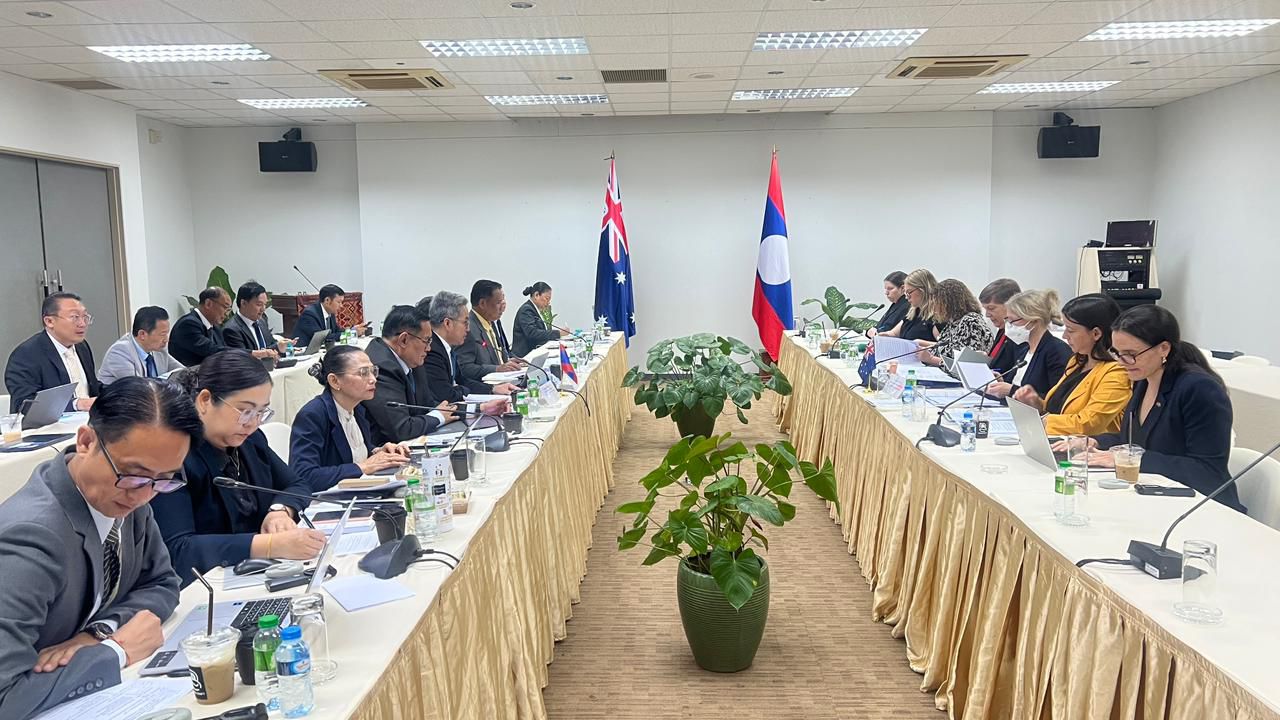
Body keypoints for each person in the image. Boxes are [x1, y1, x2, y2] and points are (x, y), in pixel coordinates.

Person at [0, 378, 197, 719]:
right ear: (86, 442)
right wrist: (116, 651)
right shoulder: (30, 537)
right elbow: (5, 697)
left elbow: (163, 583)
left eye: (163, 479)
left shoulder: (126, 494)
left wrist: (97, 633)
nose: (144, 495)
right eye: (134, 474)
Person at [152, 351, 325, 586]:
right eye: (245, 411)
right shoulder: (174, 457)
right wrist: (269, 545)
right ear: (205, 400)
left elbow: (297, 484)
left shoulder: (251, 440)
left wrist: (279, 510)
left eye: (261, 412)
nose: (253, 423)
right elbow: (178, 549)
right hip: (204, 587)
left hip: (257, 576)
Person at [1071, 306, 1244, 512]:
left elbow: (1206, 471)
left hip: (1203, 509)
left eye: (1131, 354)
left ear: (1163, 348)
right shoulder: (1143, 379)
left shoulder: (1199, 389)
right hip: (1155, 501)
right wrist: (1096, 441)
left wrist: (1132, 459)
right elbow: (1137, 440)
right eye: (1117, 353)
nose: (1122, 362)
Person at [289, 346, 409, 493]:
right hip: (327, 501)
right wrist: (362, 467)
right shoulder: (313, 415)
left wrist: (378, 452)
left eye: (373, 371)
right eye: (363, 373)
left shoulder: (357, 407)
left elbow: (354, 453)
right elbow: (304, 476)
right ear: (334, 381)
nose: (373, 379)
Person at [1014, 294, 1131, 436]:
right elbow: (1061, 409)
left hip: (1084, 446)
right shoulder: (1077, 361)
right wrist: (1037, 404)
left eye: (1070, 330)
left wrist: (1041, 421)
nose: (1064, 336)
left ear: (1096, 333)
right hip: (1057, 440)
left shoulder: (1117, 373)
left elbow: (1088, 424)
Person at [362, 305, 457, 445]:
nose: (429, 348)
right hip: (385, 449)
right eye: (426, 341)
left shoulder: (411, 359)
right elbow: (401, 429)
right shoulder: (380, 366)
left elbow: (427, 405)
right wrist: (439, 417)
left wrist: (477, 408)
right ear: (404, 340)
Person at [5, 292, 101, 413]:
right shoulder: (25, 355)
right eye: (74, 317)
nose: (82, 324)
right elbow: (25, 404)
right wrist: (76, 404)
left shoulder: (82, 347)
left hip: (91, 419)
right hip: (52, 423)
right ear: (49, 321)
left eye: (85, 317)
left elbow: (91, 387)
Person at [424, 291, 520, 403]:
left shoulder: (447, 347)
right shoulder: (431, 351)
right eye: (465, 323)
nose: (468, 329)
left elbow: (463, 381)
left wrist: (493, 389)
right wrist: (462, 390)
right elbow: (446, 395)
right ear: (447, 323)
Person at [985, 289, 1071, 400]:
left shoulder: (1057, 351)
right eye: (1007, 320)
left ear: (1034, 320)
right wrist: (1001, 382)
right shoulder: (1024, 349)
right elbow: (1018, 383)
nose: (1009, 325)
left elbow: (1057, 400)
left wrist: (1011, 390)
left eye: (1012, 321)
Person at [915, 279, 993, 370]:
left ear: (949, 303)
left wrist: (931, 359)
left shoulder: (970, 322)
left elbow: (966, 366)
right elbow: (944, 350)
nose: (934, 307)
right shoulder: (953, 323)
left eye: (936, 302)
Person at [456, 279, 523, 384]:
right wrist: (497, 368)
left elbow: (496, 355)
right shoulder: (468, 329)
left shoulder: (491, 321)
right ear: (482, 303)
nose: (503, 307)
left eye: (503, 301)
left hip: (506, 381)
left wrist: (507, 361)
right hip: (485, 388)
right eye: (498, 302)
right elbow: (465, 368)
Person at [97, 306, 185, 385]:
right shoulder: (120, 352)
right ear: (142, 334)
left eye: (167, 333)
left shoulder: (159, 350)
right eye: (162, 334)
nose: (166, 339)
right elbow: (138, 388)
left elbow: (183, 372)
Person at [169, 287, 231, 367]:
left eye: (229, 310)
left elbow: (223, 350)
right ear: (208, 304)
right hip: (189, 373)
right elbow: (211, 350)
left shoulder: (215, 327)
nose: (227, 314)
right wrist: (244, 354)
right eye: (225, 307)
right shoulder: (188, 324)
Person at [222, 281, 281, 360]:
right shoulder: (231, 329)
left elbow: (270, 345)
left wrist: (280, 346)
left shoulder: (261, 322)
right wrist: (264, 354)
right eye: (259, 304)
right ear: (243, 303)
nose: (263, 309)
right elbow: (240, 357)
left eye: (265, 304)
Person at [978, 278, 1023, 377]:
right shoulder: (1003, 329)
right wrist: (986, 359)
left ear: (1011, 305)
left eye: (991, 308)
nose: (987, 315)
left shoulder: (1021, 336)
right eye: (985, 309)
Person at [877, 268, 937, 341]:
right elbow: (893, 333)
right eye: (906, 293)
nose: (906, 297)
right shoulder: (913, 312)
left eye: (909, 292)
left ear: (922, 290)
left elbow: (945, 344)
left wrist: (921, 343)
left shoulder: (938, 316)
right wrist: (881, 336)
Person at [292, 283, 363, 344]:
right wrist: (350, 333)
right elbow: (323, 338)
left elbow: (336, 331)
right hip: (303, 352)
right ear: (327, 300)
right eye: (338, 302)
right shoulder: (309, 314)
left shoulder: (330, 312)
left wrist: (351, 330)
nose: (341, 306)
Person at [511, 281, 567, 357]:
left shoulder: (532, 309)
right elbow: (532, 333)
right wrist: (558, 333)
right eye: (547, 298)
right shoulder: (526, 310)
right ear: (536, 295)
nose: (548, 303)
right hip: (524, 356)